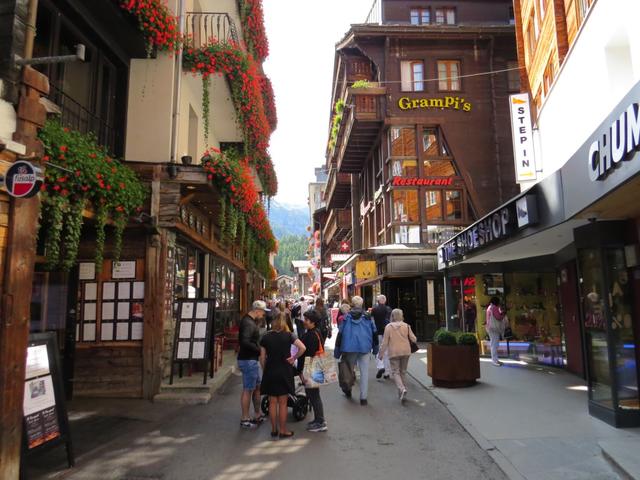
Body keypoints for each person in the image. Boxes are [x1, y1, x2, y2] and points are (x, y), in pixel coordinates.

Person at [259, 314, 306, 439]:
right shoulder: (289, 335)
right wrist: (293, 358)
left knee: (272, 402)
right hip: (285, 370)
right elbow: (302, 348)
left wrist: (265, 369)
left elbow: (262, 358)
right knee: (283, 403)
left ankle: (274, 430)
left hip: (270, 370)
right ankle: (283, 430)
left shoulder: (265, 337)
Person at [337, 296, 377, 405]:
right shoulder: (368, 317)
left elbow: (340, 334)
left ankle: (348, 389)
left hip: (350, 347)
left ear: (352, 304)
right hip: (365, 347)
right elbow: (374, 332)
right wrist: (376, 348)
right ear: (362, 304)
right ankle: (363, 398)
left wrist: (337, 351)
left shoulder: (346, 317)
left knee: (348, 370)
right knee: (364, 373)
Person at [238, 300, 269, 428]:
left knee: (256, 387)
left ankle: (257, 414)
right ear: (257, 310)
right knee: (248, 389)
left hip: (251, 360)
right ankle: (245, 419)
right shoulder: (248, 323)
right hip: (248, 360)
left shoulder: (250, 321)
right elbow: (244, 342)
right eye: (263, 312)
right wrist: (259, 349)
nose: (263, 315)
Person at [298, 309, 328, 432]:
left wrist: (300, 371)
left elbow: (306, 355)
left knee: (313, 394)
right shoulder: (316, 332)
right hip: (317, 365)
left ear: (312, 322)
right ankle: (319, 420)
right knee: (314, 394)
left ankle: (320, 422)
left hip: (312, 367)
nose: (304, 321)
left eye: (306, 320)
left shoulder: (310, 335)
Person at [378, 308, 417, 402]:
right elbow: (414, 339)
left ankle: (402, 389)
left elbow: (385, 342)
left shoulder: (388, 327)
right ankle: (401, 392)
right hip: (406, 351)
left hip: (394, 352)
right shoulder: (406, 326)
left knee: (395, 372)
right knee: (403, 371)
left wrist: (381, 354)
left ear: (392, 316)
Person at [371, 295, 392, 379]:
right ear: (385, 301)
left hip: (377, 332)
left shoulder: (374, 309)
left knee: (378, 349)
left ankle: (380, 366)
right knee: (386, 351)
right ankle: (387, 372)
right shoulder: (389, 309)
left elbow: (372, 321)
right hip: (387, 332)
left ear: (378, 301)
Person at [485, 296, 507, 366]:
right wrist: (503, 314)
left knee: (493, 344)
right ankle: (494, 360)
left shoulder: (489, 307)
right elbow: (498, 317)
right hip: (494, 329)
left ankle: (495, 359)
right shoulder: (494, 308)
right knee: (494, 344)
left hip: (490, 328)